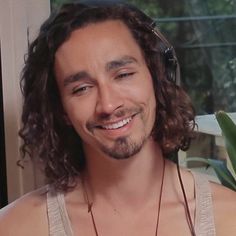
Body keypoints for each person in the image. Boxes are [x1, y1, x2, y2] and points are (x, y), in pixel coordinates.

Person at [0, 1, 236, 235]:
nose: (109, 104)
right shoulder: (14, 226)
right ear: (61, 109)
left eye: (123, 75)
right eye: (81, 89)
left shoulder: (229, 216)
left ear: (158, 76)